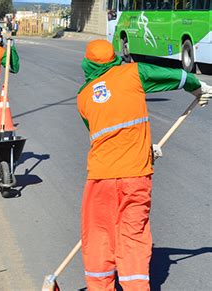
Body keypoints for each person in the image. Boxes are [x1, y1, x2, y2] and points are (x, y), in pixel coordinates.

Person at [77, 40, 212, 291]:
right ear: (113, 58)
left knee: (98, 237)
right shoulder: (133, 72)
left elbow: (100, 137)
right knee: (132, 237)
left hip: (99, 179)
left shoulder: (83, 97)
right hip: (135, 176)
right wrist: (198, 87)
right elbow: (178, 76)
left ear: (88, 64)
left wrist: (145, 150)